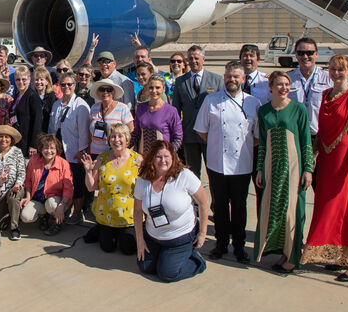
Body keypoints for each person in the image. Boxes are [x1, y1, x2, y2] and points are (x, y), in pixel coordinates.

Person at [301, 55, 348, 281]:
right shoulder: (325, 95)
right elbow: (320, 131)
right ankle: (338, 256)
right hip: (328, 161)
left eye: (341, 70)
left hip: (346, 161)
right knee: (328, 209)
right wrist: (315, 155)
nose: (336, 73)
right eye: (332, 69)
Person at [193, 61, 262, 264]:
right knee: (221, 207)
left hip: (242, 165)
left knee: (240, 207)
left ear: (242, 79)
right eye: (229, 76)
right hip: (217, 164)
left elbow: (256, 136)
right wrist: (218, 143)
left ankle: (239, 246)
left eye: (236, 76)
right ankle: (221, 244)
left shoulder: (253, 103)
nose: (232, 80)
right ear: (224, 77)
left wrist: (243, 148)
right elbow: (201, 130)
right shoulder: (211, 101)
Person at [254, 70, 314, 273]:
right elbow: (262, 142)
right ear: (270, 87)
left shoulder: (298, 109)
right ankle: (284, 253)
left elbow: (306, 140)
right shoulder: (263, 111)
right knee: (276, 211)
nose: (284, 88)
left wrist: (308, 169)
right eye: (279, 84)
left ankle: (294, 257)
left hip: (293, 168)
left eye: (287, 84)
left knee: (294, 212)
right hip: (272, 168)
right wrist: (260, 169)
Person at [134, 141, 209, 282]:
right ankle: (165, 256)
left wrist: (203, 233)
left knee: (167, 274)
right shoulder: (143, 179)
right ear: (152, 158)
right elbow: (137, 210)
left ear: (173, 157)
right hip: (153, 236)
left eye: (166, 156)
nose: (163, 161)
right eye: (158, 157)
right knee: (145, 267)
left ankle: (196, 261)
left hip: (180, 236)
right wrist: (140, 241)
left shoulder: (184, 176)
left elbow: (203, 203)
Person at [81, 124, 140, 254]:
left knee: (128, 250)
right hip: (106, 214)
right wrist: (88, 172)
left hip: (128, 218)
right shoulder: (102, 158)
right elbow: (91, 187)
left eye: (120, 136)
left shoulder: (137, 160)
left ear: (127, 139)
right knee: (107, 248)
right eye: (113, 136)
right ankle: (101, 228)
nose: (116, 140)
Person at [171, 45, 224, 179]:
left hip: (210, 134)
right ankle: (194, 200)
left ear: (203, 59)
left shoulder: (216, 80)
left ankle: (215, 199)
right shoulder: (180, 81)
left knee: (214, 173)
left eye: (196, 58)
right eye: (190, 58)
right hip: (189, 134)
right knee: (193, 174)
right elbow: (176, 109)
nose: (193, 61)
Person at [48, 72, 91, 224]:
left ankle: (78, 212)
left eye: (69, 84)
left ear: (75, 85)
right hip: (59, 152)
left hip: (74, 151)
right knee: (63, 182)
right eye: (63, 84)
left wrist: (82, 151)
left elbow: (84, 132)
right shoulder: (56, 104)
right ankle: (65, 210)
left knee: (77, 183)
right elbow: (52, 129)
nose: (66, 87)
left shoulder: (80, 106)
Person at [20, 134, 73, 236]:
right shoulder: (34, 160)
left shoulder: (63, 164)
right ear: (41, 149)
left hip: (56, 200)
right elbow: (28, 181)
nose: (49, 151)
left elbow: (68, 188)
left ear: (57, 149)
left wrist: (62, 204)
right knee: (26, 217)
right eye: (46, 148)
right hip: (38, 198)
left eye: (52, 148)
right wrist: (27, 196)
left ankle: (57, 222)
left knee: (51, 204)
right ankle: (44, 216)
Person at [0, 125, 26, 240]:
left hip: (12, 187)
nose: (4, 139)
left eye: (7, 137)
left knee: (13, 197)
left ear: (11, 139)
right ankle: (6, 216)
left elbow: (22, 172)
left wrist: (17, 184)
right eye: (1, 137)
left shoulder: (17, 152)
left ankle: (14, 228)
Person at [288, 37, 333, 139]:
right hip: (295, 136)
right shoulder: (288, 78)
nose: (305, 56)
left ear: (316, 54)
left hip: (321, 136)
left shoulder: (328, 78)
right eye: (300, 53)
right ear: (296, 55)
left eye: (310, 53)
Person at [131, 76, 182, 155]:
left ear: (164, 89)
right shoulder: (141, 108)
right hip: (144, 157)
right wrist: (124, 147)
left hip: (162, 158)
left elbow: (178, 138)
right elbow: (136, 133)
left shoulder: (171, 111)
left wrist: (168, 154)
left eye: (157, 87)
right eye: (151, 87)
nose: (154, 91)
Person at [88, 78, 134, 156]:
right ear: (98, 92)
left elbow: (131, 130)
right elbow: (90, 132)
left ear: (113, 92)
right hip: (94, 152)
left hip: (114, 154)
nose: (105, 92)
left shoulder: (122, 108)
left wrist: (124, 150)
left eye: (109, 89)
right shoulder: (94, 108)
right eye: (102, 89)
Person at [10, 65, 43, 156]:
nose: (21, 82)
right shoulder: (17, 96)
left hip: (27, 143)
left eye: (24, 79)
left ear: (29, 79)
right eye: (18, 79)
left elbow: (37, 122)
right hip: (17, 141)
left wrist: (34, 144)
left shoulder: (33, 97)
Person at [33, 67, 57, 133]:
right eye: (36, 80)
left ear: (47, 82)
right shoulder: (32, 97)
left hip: (47, 132)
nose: (39, 82)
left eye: (41, 79)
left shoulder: (51, 97)